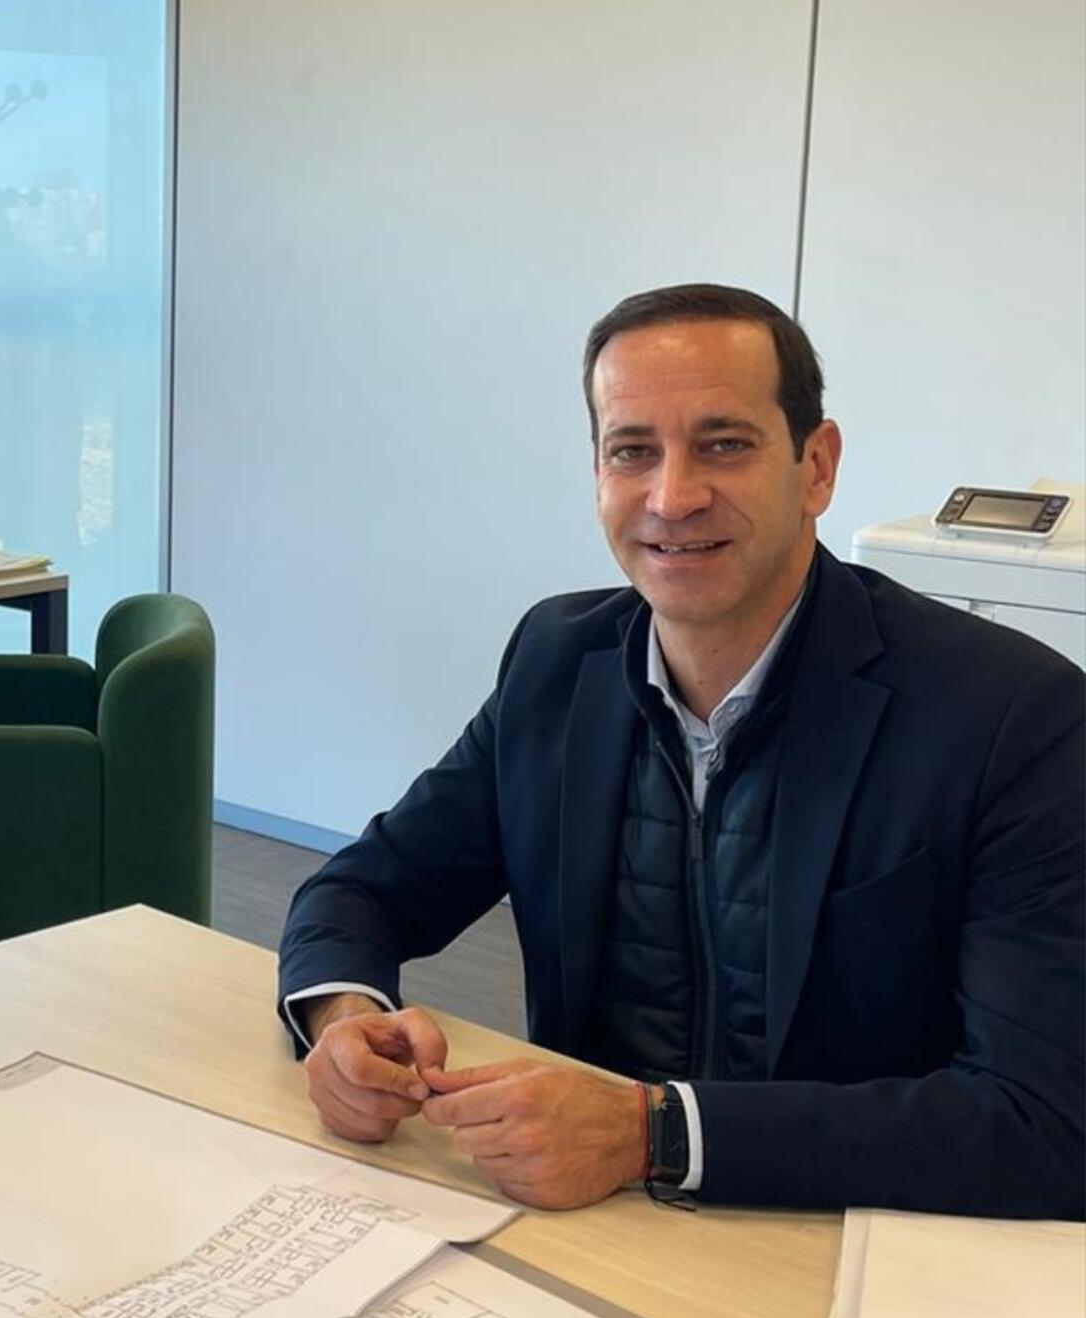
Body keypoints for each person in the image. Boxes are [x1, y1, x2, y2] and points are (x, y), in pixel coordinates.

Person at [279, 283, 1083, 1218]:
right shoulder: (557, 663)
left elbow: (1046, 1121)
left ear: (816, 467)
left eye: (724, 444)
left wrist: (654, 1133)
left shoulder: (1011, 718)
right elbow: (363, 890)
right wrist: (344, 1018)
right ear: (597, 475)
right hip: (588, 1224)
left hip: (841, 1238)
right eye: (633, 451)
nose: (673, 497)